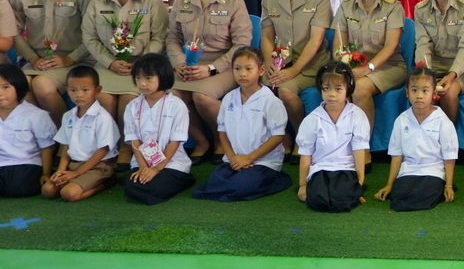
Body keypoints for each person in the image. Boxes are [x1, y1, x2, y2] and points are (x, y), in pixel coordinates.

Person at [166, 0, 254, 161]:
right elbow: (173, 38)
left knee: (202, 97)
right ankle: (200, 141)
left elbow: (241, 44)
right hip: (188, 66)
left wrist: (211, 69)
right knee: (170, 97)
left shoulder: (234, 1)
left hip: (224, 65)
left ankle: (221, 140)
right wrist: (178, 63)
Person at [81, 0, 170, 143]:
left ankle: (127, 146)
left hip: (142, 66)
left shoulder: (151, 1)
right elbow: (90, 37)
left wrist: (142, 64)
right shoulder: (97, 2)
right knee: (102, 97)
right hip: (108, 65)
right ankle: (106, 146)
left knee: (130, 99)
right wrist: (110, 62)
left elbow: (160, 36)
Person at [8, 0, 94, 124]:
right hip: (37, 61)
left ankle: (66, 132)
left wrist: (69, 59)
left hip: (73, 61)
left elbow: (93, 32)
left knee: (42, 85)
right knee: (18, 87)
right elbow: (13, 30)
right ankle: (44, 135)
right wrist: (33, 59)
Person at [192, 47, 293, 203]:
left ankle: (277, 179)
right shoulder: (229, 98)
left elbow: (278, 136)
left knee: (241, 186)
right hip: (235, 160)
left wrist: (249, 158)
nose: (242, 74)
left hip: (262, 161)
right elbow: (222, 131)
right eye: (237, 69)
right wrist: (232, 157)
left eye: (248, 69)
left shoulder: (270, 101)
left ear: (261, 70)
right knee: (213, 181)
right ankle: (237, 179)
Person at [261, 0, 333, 150]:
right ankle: (281, 138)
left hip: (310, 64)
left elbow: (316, 40)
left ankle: (303, 138)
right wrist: (271, 64)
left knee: (285, 91)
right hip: (279, 62)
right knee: (259, 89)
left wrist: (293, 71)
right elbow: (267, 35)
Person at [333, 0, 408, 133]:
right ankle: (340, 138)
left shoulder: (393, 7)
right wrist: (346, 67)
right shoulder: (346, 5)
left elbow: (390, 46)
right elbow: (339, 46)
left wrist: (368, 68)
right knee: (336, 84)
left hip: (389, 66)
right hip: (354, 66)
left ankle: (363, 142)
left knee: (359, 88)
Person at [375, 66, 459, 211]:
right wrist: (389, 185)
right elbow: (397, 155)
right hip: (409, 170)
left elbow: (449, 156)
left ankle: (437, 189)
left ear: (434, 94)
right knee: (398, 199)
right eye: (414, 90)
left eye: (425, 91)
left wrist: (449, 185)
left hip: (433, 171)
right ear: (407, 92)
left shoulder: (443, 122)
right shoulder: (401, 120)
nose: (419, 96)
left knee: (425, 196)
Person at [296, 62, 370, 213]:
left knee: (343, 200)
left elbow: (359, 150)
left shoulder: (357, 115)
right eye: (326, 88)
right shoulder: (312, 119)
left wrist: (359, 183)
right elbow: (306, 154)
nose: (332, 94)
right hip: (320, 168)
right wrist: (303, 185)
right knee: (318, 201)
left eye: (338, 89)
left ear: (348, 88)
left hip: (346, 169)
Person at [123, 54, 195, 205]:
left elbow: (175, 142)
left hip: (171, 163)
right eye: (138, 77)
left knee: (155, 188)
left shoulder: (177, 105)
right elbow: (134, 141)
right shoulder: (132, 106)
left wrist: (156, 169)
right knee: (132, 185)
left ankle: (183, 179)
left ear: (163, 77)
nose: (142, 83)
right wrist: (143, 168)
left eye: (148, 78)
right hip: (143, 162)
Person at [41, 65, 119, 202]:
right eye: (73, 90)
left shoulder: (102, 117)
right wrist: (60, 171)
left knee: (68, 194)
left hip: (99, 166)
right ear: (66, 90)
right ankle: (77, 181)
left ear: (97, 90)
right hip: (75, 164)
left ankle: (105, 183)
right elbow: (66, 146)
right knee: (48, 190)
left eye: (85, 90)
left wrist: (76, 173)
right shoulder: (68, 116)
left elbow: (103, 150)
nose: (79, 95)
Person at [0, 62, 57, 198]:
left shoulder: (36, 115)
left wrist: (45, 173)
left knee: (18, 187)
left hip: (25, 164)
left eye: (6, 87)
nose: (0, 93)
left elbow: (46, 148)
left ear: (18, 87)